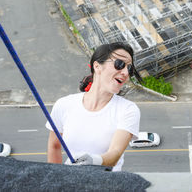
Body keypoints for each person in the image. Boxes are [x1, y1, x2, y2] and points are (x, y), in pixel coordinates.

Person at [46, 42, 142, 171]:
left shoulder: (128, 110)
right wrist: (55, 180)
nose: (125, 72)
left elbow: (115, 154)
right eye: (119, 64)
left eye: (129, 69)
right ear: (97, 66)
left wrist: (93, 160)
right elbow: (54, 146)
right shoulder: (64, 105)